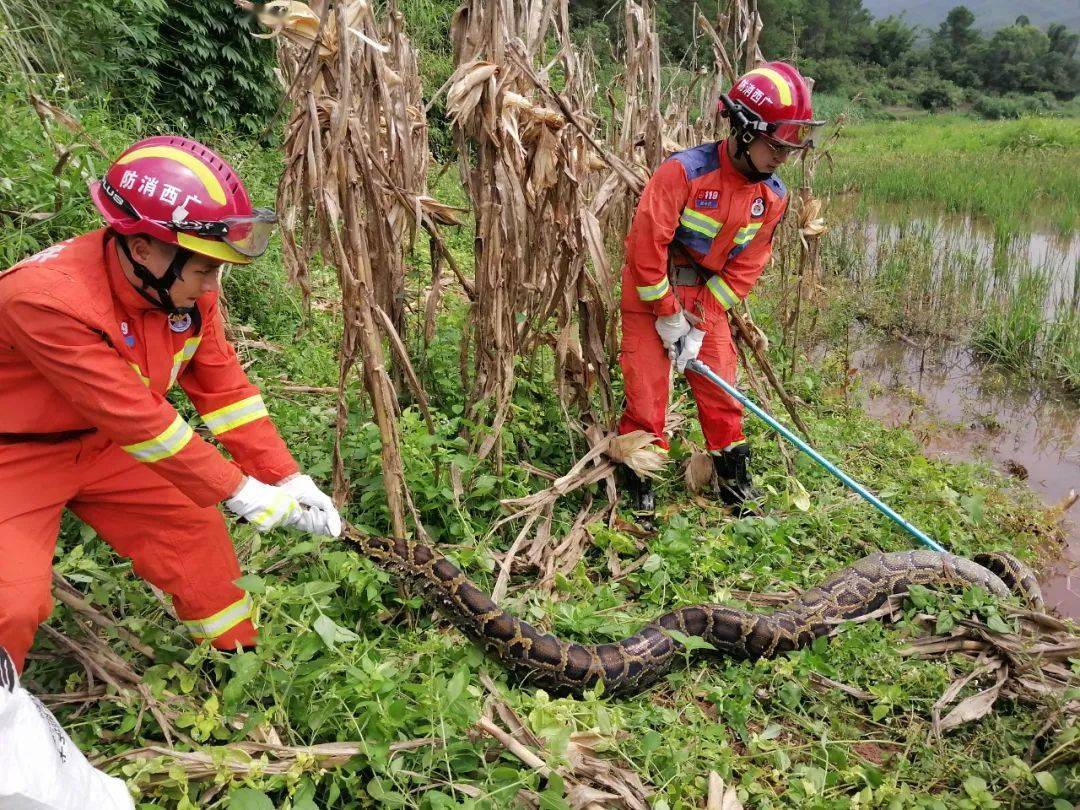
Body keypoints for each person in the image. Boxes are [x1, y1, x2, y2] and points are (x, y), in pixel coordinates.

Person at [0, 136, 342, 673]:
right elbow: (140, 421)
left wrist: (283, 475)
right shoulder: (43, 299)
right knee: (12, 603)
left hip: (106, 444)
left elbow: (225, 391)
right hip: (15, 455)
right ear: (142, 250)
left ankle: (236, 667)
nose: (213, 283)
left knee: (197, 537)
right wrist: (239, 491)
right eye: (205, 267)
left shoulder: (183, 288)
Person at [617, 62, 823, 520]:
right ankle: (640, 485)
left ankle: (733, 480)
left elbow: (748, 266)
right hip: (651, 293)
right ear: (745, 132)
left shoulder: (772, 195)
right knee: (647, 395)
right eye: (775, 146)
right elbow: (646, 247)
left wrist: (701, 319)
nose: (782, 158)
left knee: (723, 395)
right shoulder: (683, 174)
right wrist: (667, 313)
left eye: (790, 149)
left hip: (705, 299)